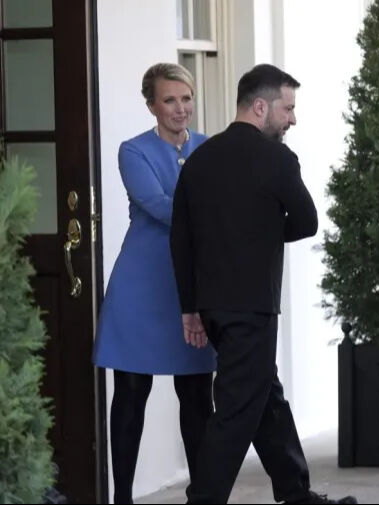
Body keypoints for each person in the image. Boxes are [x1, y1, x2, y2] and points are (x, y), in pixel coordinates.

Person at [170, 63, 356, 505]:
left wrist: (189, 307)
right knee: (236, 410)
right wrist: (263, 232)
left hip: (213, 306)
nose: (293, 118)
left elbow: (182, 240)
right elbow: (307, 222)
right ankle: (204, 498)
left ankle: (295, 492)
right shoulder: (277, 159)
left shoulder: (199, 159)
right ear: (260, 106)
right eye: (288, 108)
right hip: (252, 306)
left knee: (263, 396)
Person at [93, 62, 216, 504]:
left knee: (198, 394)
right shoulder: (134, 151)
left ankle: (203, 495)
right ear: (151, 105)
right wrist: (215, 216)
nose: (180, 108)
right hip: (142, 288)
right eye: (169, 100)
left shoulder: (209, 147)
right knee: (130, 394)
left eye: (186, 98)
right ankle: (121, 497)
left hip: (193, 287)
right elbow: (159, 206)